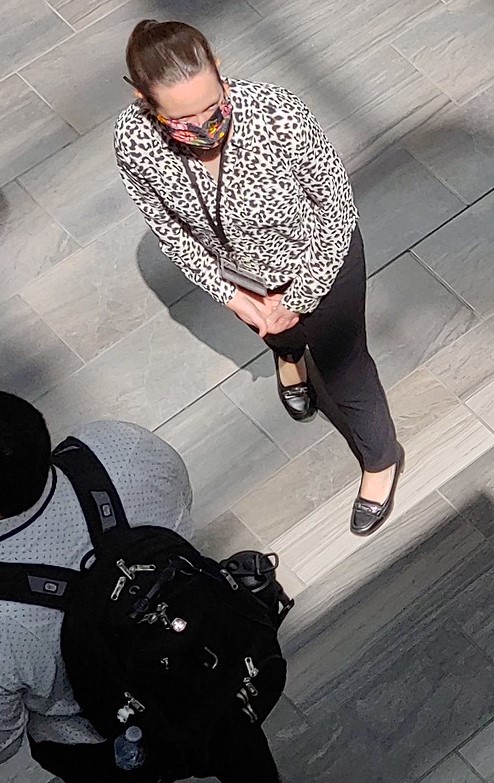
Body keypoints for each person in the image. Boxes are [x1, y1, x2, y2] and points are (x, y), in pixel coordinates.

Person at [0, 392, 292, 783]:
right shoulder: (119, 448)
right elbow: (182, 528)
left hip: (100, 742)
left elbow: (3, 740)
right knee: (235, 730)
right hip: (206, 663)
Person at [114, 19, 403, 536]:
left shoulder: (279, 113)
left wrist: (302, 294)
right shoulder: (133, 141)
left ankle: (381, 460)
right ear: (143, 100)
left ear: (220, 72)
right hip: (240, 275)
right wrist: (230, 296)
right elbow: (169, 230)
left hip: (319, 260)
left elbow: (336, 209)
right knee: (275, 334)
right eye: (182, 117)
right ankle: (290, 359)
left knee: (345, 367)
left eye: (211, 105)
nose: (204, 126)